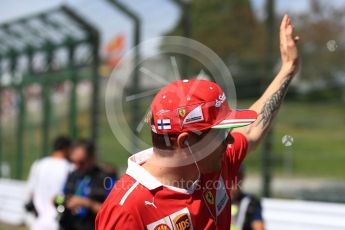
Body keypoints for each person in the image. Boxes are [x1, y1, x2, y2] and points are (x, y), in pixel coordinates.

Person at [96, 15, 299, 229]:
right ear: (185, 143)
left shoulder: (210, 164)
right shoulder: (126, 210)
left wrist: (289, 68)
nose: (229, 141)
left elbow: (250, 131)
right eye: (220, 133)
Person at [59, 139, 115, 230]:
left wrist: (87, 204)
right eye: (74, 161)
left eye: (81, 162)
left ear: (92, 158)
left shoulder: (106, 179)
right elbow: (62, 196)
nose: (77, 166)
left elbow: (112, 212)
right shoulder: (72, 175)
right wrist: (57, 200)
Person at [26, 136, 73, 230]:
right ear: (66, 148)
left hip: (38, 221)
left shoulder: (39, 164)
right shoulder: (70, 167)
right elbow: (65, 195)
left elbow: (30, 191)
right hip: (58, 220)